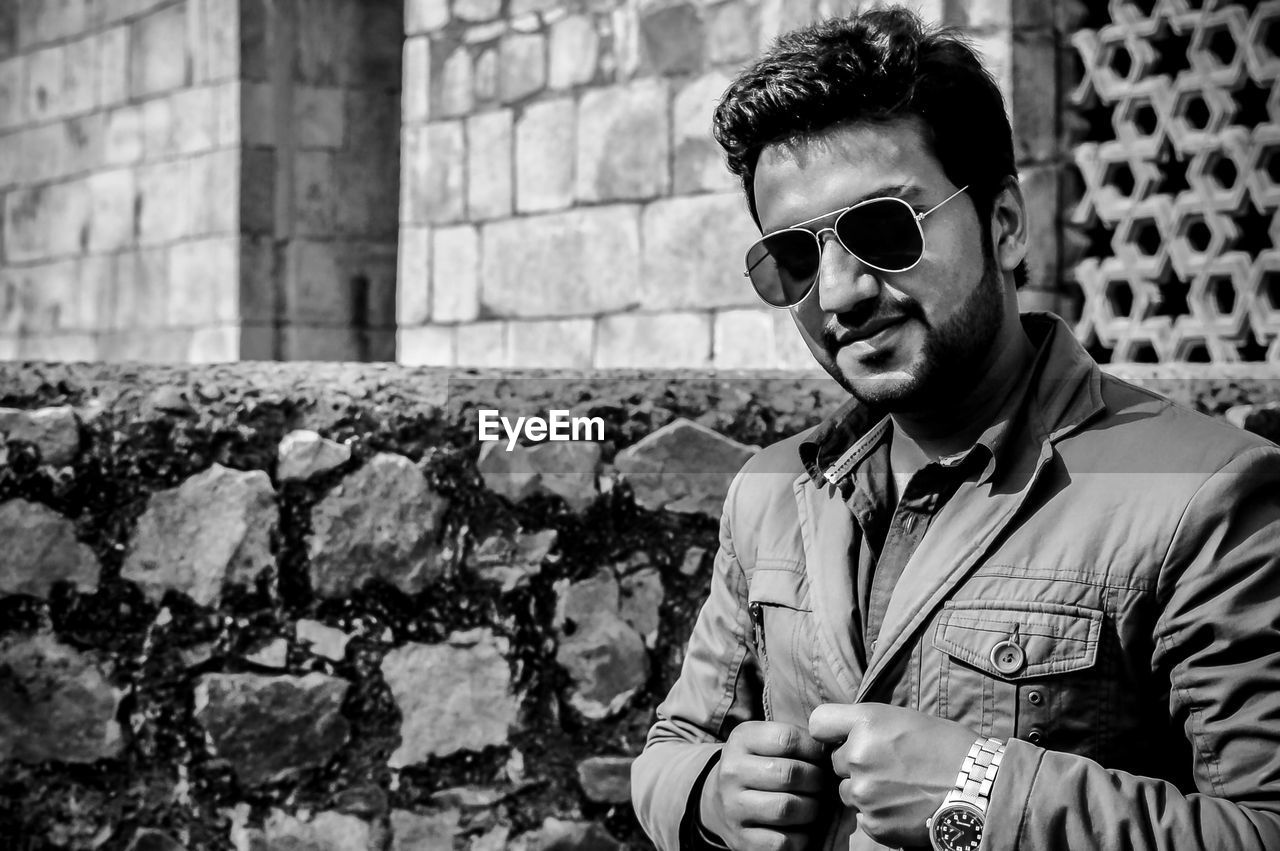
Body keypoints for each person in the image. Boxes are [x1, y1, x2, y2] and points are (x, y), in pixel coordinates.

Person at [630, 7, 1280, 851]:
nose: (838, 293)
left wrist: (981, 795)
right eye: (793, 257)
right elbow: (673, 746)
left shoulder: (1202, 495)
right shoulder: (770, 492)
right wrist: (713, 794)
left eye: (883, 230)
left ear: (1004, 224)